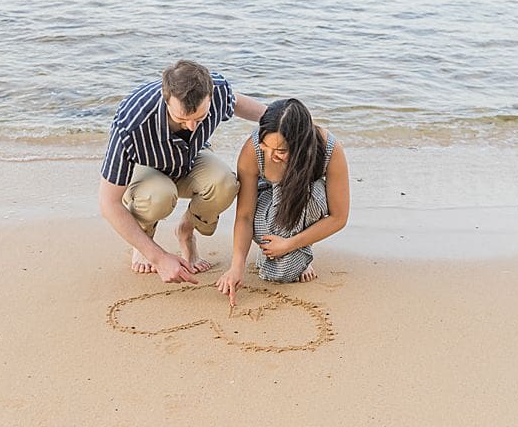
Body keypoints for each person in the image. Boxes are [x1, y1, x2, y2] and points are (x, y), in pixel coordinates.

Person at [98, 59, 267, 283]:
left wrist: (291, 122)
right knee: (159, 196)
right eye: (180, 119)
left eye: (200, 118)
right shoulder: (131, 123)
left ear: (211, 95)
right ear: (165, 98)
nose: (191, 127)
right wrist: (158, 258)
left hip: (191, 157)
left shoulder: (218, 90)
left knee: (225, 183)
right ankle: (144, 238)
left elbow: (241, 105)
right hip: (147, 169)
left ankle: (186, 232)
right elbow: (108, 203)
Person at [216, 98, 350, 302]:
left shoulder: (329, 149)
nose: (271, 156)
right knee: (280, 272)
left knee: (289, 263)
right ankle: (291, 251)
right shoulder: (253, 150)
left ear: (301, 145)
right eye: (266, 146)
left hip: (307, 200)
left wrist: (291, 244)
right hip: (267, 203)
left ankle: (302, 250)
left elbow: (339, 217)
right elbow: (244, 215)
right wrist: (237, 266)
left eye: (280, 151)